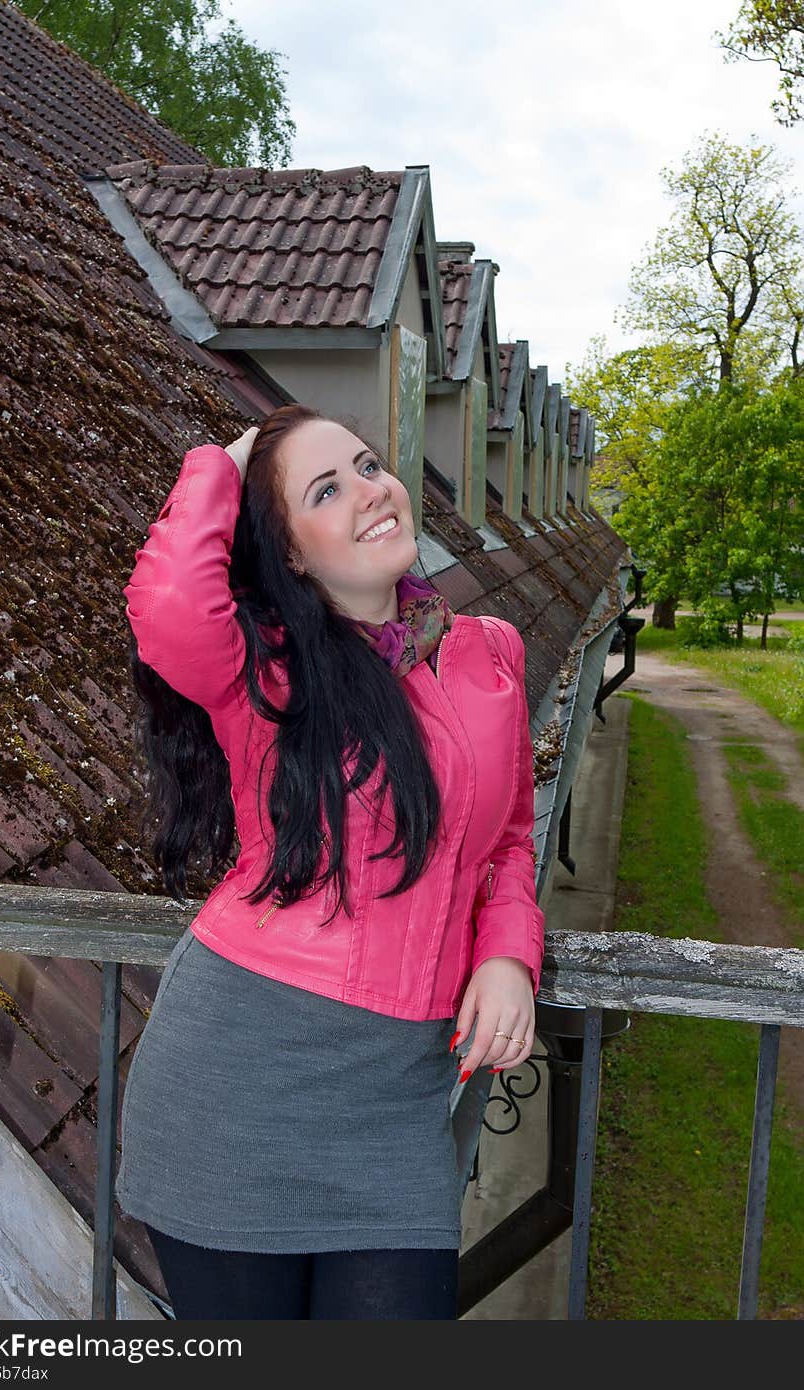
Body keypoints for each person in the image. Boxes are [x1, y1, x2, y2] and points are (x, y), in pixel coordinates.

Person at [115, 403, 544, 1320]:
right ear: (293, 554)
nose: (371, 492)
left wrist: (509, 953)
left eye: (368, 465)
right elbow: (168, 607)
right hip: (233, 1086)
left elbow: (507, 842)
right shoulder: (262, 672)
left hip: (398, 1101)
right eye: (325, 490)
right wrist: (222, 463)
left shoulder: (490, 658)